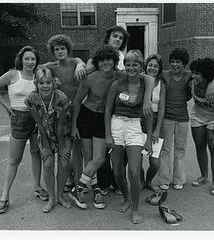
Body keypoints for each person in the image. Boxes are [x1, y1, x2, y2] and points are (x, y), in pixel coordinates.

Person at [86, 25, 154, 195]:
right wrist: (81, 66)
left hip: (120, 110)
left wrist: (146, 100)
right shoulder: (98, 55)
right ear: (108, 37)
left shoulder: (124, 58)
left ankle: (117, 183)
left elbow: (147, 78)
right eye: (115, 36)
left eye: (121, 38)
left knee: (121, 153)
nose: (117, 39)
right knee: (102, 154)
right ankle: (103, 183)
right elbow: (86, 72)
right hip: (98, 110)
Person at [0, 46, 48, 214]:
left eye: (33, 59)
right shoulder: (13, 74)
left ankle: (37, 187)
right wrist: (7, 106)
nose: (30, 62)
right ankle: (4, 196)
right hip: (19, 119)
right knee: (14, 159)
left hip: (37, 118)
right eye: (27, 58)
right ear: (21, 59)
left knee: (37, 154)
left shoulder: (38, 75)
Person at [69, 45, 125, 210]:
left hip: (103, 119)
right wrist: (74, 126)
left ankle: (77, 188)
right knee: (89, 156)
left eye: (109, 59)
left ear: (114, 61)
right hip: (86, 116)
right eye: (101, 60)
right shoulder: (90, 78)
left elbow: (140, 78)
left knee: (98, 158)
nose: (105, 63)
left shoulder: (120, 77)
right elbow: (78, 101)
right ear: (97, 62)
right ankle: (95, 190)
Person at [105, 50, 153, 224]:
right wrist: (108, 134)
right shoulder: (117, 83)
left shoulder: (145, 83)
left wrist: (148, 139)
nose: (131, 67)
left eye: (135, 64)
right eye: (128, 64)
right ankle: (126, 197)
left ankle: (135, 209)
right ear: (124, 66)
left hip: (134, 126)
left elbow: (148, 114)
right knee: (117, 171)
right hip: (116, 124)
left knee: (133, 171)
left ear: (141, 66)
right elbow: (108, 110)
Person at [39, 34, 86, 192]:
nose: (60, 51)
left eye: (62, 48)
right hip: (61, 113)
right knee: (65, 147)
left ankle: (80, 180)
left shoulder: (75, 62)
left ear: (68, 49)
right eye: (56, 49)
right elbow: (37, 69)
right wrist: (51, 79)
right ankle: (70, 178)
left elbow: (81, 61)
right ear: (53, 51)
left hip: (78, 110)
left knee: (78, 147)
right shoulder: (52, 67)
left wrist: (80, 64)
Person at [25, 68, 73, 212]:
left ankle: (60, 197)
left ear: (53, 83)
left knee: (64, 163)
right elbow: (39, 124)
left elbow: (60, 126)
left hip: (63, 133)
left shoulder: (62, 98)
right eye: (41, 83)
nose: (45, 86)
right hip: (44, 132)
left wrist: (63, 147)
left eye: (48, 82)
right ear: (36, 83)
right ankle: (51, 198)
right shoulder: (31, 98)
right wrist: (46, 147)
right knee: (48, 163)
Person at [189, 57, 214, 196]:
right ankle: (204, 176)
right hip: (197, 116)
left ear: (206, 74)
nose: (193, 76)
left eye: (197, 73)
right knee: (200, 146)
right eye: (193, 72)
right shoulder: (191, 83)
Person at [158, 48, 192, 191]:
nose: (174, 65)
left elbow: (209, 77)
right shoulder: (165, 75)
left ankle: (179, 179)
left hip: (183, 118)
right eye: (172, 62)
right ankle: (164, 180)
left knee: (180, 150)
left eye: (178, 62)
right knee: (165, 149)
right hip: (167, 118)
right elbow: (150, 73)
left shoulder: (189, 76)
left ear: (184, 63)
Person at [141, 54, 166, 192]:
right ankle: (139, 181)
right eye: (150, 65)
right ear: (146, 66)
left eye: (156, 66)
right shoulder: (140, 80)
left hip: (156, 120)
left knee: (155, 162)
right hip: (140, 120)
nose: (152, 68)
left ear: (159, 69)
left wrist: (157, 130)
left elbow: (162, 108)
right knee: (137, 158)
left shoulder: (162, 84)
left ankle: (148, 181)